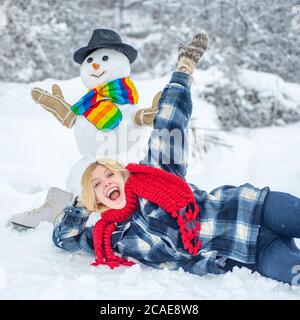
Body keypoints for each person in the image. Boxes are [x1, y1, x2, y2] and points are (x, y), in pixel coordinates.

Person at [52, 32, 300, 286]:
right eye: (96, 185)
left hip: (256, 209)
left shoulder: (156, 176)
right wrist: (82, 204)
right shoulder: (111, 238)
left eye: (109, 174)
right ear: (97, 200)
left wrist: (183, 71)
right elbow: (64, 238)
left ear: (123, 175)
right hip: (255, 255)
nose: (105, 183)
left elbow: (169, 123)